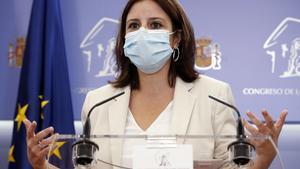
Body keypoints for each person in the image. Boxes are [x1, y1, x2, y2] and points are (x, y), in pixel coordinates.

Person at [23, 0, 288, 169]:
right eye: (134, 25)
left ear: (176, 40)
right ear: (124, 39)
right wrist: (42, 165)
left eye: (156, 25)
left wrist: (263, 158)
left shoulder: (215, 96)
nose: (143, 33)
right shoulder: (97, 102)